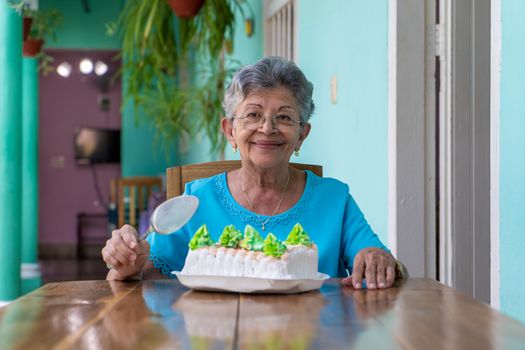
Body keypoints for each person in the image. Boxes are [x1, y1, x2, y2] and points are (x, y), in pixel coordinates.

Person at [102, 56, 407, 289]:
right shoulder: (197, 199)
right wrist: (128, 264)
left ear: (302, 135)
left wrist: (381, 261)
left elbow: (387, 266)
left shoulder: (335, 198)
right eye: (253, 114)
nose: (267, 128)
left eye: (284, 117)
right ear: (230, 131)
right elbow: (146, 273)